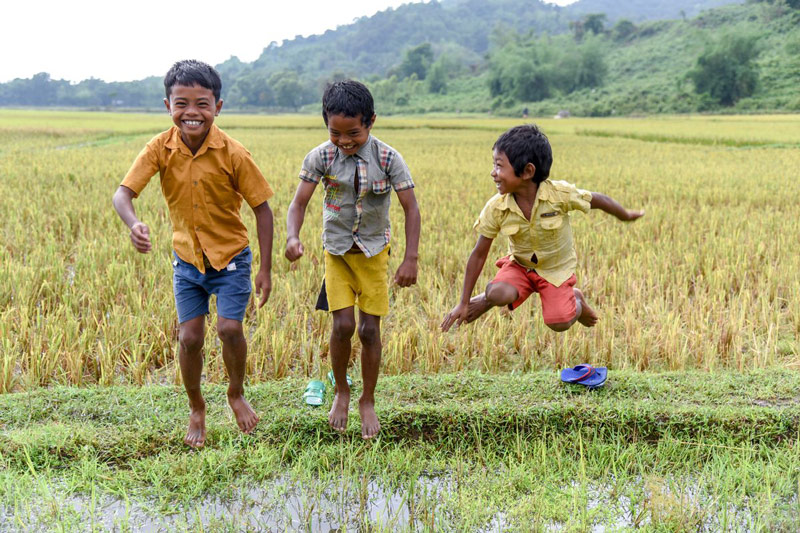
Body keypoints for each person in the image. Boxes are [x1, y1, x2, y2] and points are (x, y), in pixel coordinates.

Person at [112, 60, 274, 448]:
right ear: (167, 105)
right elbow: (123, 194)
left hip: (231, 257)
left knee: (230, 329)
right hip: (187, 260)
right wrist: (133, 223)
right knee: (189, 338)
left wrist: (266, 269)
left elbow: (262, 209)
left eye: (202, 104)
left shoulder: (233, 153)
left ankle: (235, 392)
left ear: (218, 107)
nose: (191, 113)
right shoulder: (159, 148)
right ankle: (197, 405)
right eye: (181, 103)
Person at [285, 80, 420, 439]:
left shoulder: (389, 158)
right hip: (337, 252)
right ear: (326, 124)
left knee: (370, 330)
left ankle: (368, 399)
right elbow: (298, 203)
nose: (344, 141)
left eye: (354, 133)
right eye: (336, 133)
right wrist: (292, 236)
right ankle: (342, 391)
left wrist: (411, 259)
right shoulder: (321, 157)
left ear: (371, 121)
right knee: (343, 326)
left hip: (375, 254)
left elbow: (411, 208)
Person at [442, 124, 644, 333]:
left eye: (499, 166)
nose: (493, 173)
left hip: (555, 270)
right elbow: (478, 254)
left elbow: (598, 200)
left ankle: (577, 301)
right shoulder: (497, 207)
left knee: (559, 322)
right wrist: (463, 302)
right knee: (497, 294)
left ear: (528, 171)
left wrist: (625, 215)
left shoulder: (559, 195)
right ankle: (487, 299)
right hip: (520, 267)